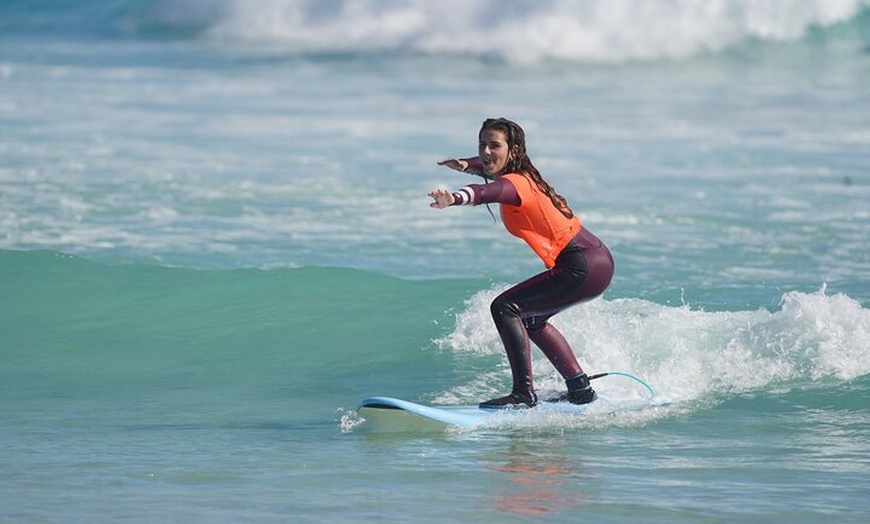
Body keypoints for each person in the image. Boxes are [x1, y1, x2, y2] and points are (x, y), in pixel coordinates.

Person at [429, 118, 614, 409]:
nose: (486, 151)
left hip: (582, 264)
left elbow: (485, 193)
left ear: (513, 150)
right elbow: (487, 168)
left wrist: (453, 198)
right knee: (531, 319)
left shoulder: (515, 184)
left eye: (494, 145)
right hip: (593, 261)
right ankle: (579, 387)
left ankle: (523, 394)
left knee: (505, 307)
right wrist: (466, 164)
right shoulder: (522, 173)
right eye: (482, 144)